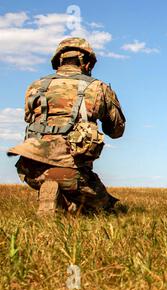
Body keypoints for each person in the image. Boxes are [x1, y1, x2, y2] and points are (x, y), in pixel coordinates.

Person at [7, 37, 126, 215]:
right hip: (71, 172)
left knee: (72, 207)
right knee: (105, 208)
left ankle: (54, 194)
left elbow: (29, 118)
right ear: (87, 63)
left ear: (59, 61)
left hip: (29, 169)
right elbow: (116, 131)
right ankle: (62, 190)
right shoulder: (98, 88)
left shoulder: (36, 86)